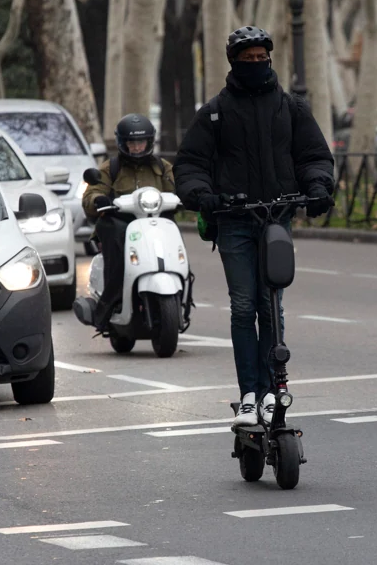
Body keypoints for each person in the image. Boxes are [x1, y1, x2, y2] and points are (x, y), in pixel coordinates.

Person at [174, 26, 334, 428]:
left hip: (276, 222)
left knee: (271, 306)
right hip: (233, 223)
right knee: (245, 306)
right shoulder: (214, 112)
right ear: (234, 63)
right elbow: (190, 164)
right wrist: (202, 193)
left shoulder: (290, 108)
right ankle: (249, 394)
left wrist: (318, 187)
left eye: (262, 58)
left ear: (270, 58)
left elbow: (314, 155)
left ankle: (271, 392)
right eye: (248, 60)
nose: (256, 64)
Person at [82, 113, 175, 333]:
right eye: (131, 143)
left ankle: (181, 285)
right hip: (120, 223)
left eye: (140, 142)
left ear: (149, 142)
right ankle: (109, 301)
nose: (136, 147)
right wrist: (99, 199)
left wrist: (191, 195)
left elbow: (177, 189)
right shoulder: (109, 168)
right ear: (123, 143)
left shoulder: (163, 168)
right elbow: (91, 195)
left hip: (154, 222)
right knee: (114, 237)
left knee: (173, 235)